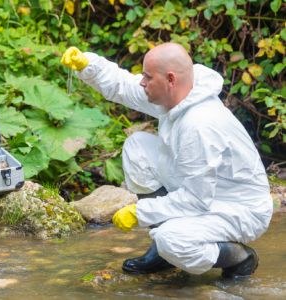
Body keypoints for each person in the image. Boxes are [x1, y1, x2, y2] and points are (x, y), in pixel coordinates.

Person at [60, 43, 273, 279]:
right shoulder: (178, 94)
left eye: (147, 77)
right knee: (137, 146)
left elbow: (195, 199)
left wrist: (140, 212)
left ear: (170, 79)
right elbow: (124, 87)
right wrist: (88, 64)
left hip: (239, 208)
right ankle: (163, 253)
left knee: (172, 240)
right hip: (208, 190)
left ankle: (239, 258)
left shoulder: (199, 124)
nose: (142, 82)